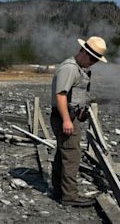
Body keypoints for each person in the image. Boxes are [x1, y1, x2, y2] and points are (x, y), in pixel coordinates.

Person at [50, 36, 107, 207]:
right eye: (92, 58)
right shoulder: (70, 68)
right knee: (72, 155)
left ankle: (59, 189)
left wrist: (79, 113)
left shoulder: (79, 69)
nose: (93, 62)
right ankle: (70, 196)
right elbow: (60, 95)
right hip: (64, 117)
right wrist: (67, 120)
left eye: (96, 60)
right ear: (83, 51)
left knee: (64, 153)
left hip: (69, 116)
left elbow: (73, 96)